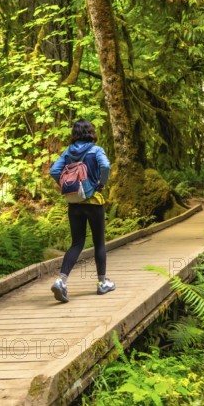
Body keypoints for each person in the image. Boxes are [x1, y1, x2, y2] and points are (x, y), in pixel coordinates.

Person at [49, 119, 115, 302]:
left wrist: (65, 185)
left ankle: (61, 280)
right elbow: (106, 167)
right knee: (99, 242)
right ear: (90, 132)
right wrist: (101, 183)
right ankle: (102, 283)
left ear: (75, 134)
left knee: (77, 243)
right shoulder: (96, 150)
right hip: (93, 202)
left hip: (74, 202)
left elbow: (54, 170)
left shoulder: (68, 153)